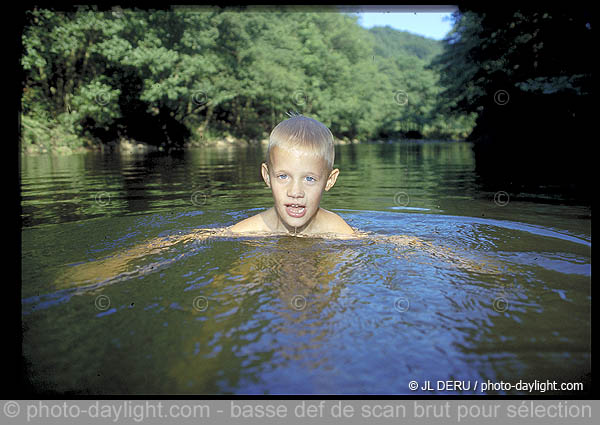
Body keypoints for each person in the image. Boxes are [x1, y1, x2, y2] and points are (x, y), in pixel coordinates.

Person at [229, 113, 355, 236]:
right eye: (283, 176)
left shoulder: (339, 231)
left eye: (309, 179)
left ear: (329, 180)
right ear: (267, 176)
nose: (295, 192)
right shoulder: (246, 231)